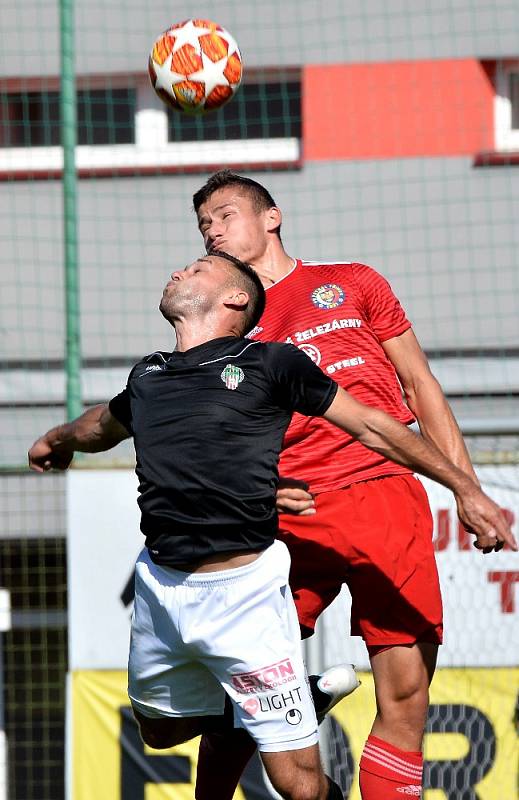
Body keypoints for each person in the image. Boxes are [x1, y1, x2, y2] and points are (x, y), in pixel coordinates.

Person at [28, 252, 514, 800]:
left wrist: (465, 487)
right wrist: (57, 437)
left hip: (246, 595)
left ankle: (277, 702)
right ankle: (291, 698)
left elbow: (375, 426)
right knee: (158, 732)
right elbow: (101, 426)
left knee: (298, 787)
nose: (178, 271)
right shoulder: (149, 374)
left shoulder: (271, 364)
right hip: (162, 589)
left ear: (235, 298)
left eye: (196, 267)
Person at [192, 171, 518, 800]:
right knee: (242, 687)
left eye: (224, 214)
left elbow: (421, 388)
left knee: (404, 696)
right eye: (204, 223)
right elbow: (207, 435)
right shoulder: (221, 326)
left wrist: (467, 490)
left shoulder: (355, 283)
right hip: (290, 513)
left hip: (386, 497)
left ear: (272, 217)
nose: (213, 229)